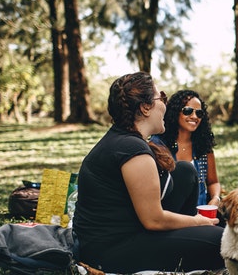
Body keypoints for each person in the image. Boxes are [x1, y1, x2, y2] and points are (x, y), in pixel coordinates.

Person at [73, 72, 224, 273]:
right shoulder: (132, 149)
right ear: (145, 108)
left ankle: (193, 235)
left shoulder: (125, 140)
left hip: (130, 230)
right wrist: (197, 221)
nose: (165, 104)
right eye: (161, 97)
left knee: (185, 171)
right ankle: (197, 236)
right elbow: (153, 220)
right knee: (224, 242)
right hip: (110, 249)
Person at [151, 90, 221, 207]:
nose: (194, 117)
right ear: (175, 112)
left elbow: (213, 182)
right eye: (188, 111)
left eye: (199, 113)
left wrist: (215, 199)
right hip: (171, 214)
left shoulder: (203, 145)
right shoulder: (158, 144)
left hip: (202, 213)